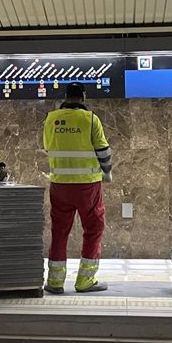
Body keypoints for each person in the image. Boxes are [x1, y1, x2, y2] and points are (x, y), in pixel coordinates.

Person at [42, 82, 112, 294]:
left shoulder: (51, 119)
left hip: (59, 185)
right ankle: (85, 281)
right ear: (83, 97)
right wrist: (107, 171)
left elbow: (47, 146)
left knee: (59, 231)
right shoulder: (90, 119)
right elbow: (103, 150)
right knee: (93, 228)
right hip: (86, 185)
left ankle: (54, 282)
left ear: (65, 97)